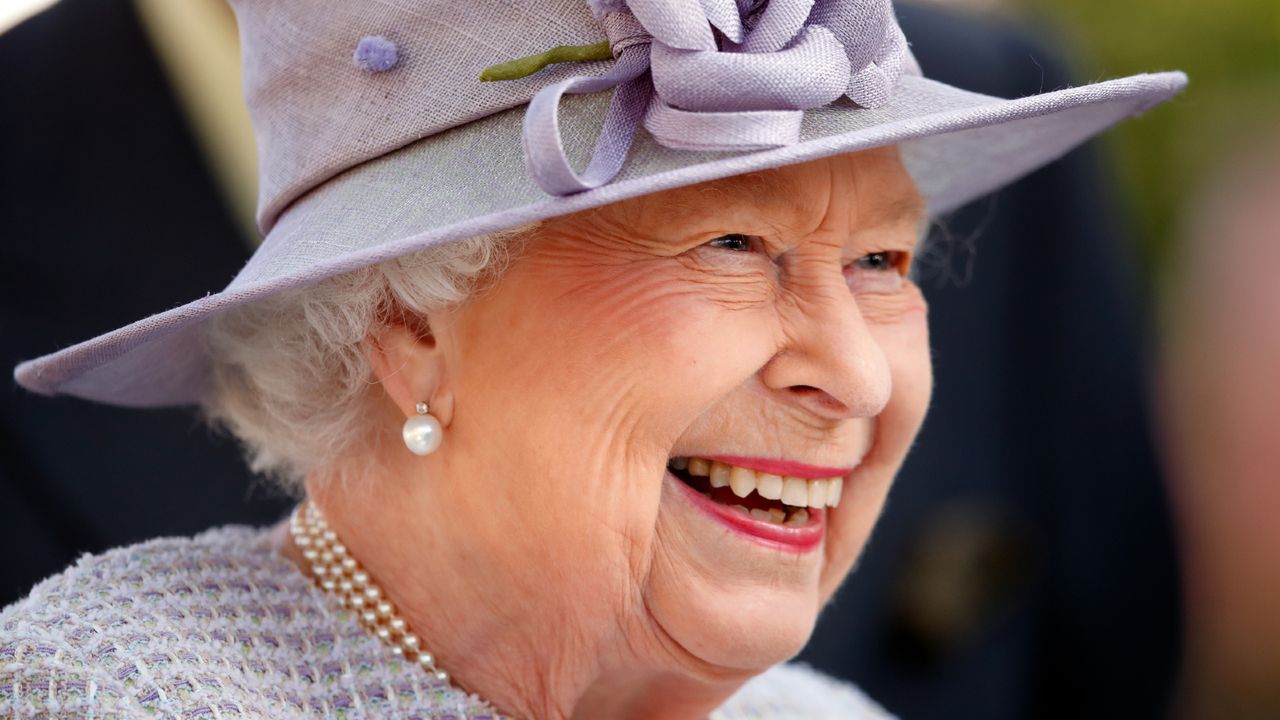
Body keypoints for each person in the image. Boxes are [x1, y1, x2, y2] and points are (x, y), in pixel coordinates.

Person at [0, 0, 1184, 717]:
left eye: (880, 263)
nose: (857, 377)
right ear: (407, 328)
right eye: (734, 244)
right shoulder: (104, 697)